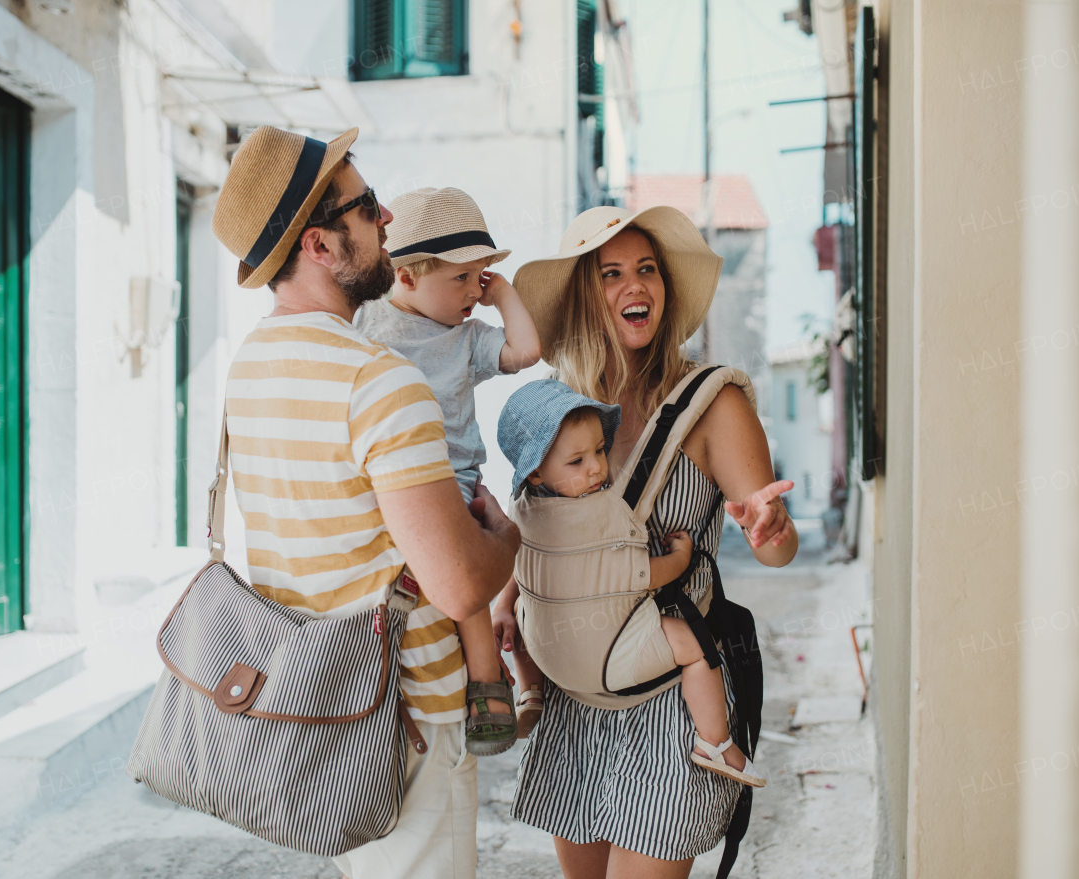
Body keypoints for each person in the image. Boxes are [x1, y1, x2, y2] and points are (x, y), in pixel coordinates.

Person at [210, 125, 520, 879]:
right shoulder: (380, 382)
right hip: (406, 707)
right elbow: (458, 582)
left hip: (312, 700)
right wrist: (506, 538)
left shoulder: (250, 365)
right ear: (320, 245)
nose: (386, 221)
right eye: (368, 205)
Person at [492, 205, 797, 879]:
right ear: (582, 293)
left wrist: (769, 528)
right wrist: (508, 597)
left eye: (647, 270)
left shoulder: (714, 403)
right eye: (611, 273)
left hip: (671, 689)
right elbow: (542, 528)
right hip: (579, 687)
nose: (636, 285)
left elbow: (777, 545)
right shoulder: (554, 407)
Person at [496, 379, 766, 787]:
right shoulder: (600, 515)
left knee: (524, 609)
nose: (597, 468)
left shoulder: (522, 510)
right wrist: (680, 558)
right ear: (535, 473)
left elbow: (519, 568)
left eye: (600, 451)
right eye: (577, 462)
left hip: (548, 658)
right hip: (607, 659)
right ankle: (715, 742)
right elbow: (640, 575)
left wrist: (502, 606)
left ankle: (529, 690)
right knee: (695, 646)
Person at [354, 187, 541, 755]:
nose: (472, 291)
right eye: (461, 278)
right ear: (406, 276)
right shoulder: (367, 322)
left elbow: (527, 350)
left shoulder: (466, 339)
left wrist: (502, 292)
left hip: (454, 481)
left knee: (467, 593)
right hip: (387, 480)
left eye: (480, 276)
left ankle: (487, 682)